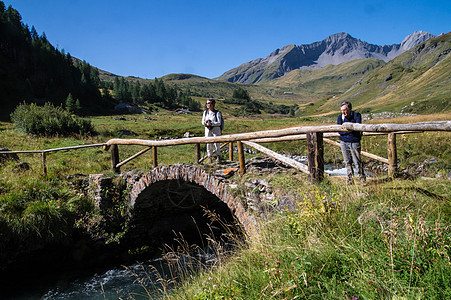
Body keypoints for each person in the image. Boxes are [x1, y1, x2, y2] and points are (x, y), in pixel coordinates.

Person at [337, 101, 365, 184]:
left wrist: (347, 131)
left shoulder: (357, 115)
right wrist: (350, 131)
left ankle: (362, 178)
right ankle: (350, 179)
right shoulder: (340, 117)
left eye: (345, 110)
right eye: (342, 110)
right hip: (343, 141)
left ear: (350, 109)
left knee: (357, 161)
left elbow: (357, 128)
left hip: (354, 141)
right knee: (347, 161)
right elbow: (339, 130)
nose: (343, 112)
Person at [202, 98, 223, 163]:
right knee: (208, 144)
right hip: (207, 130)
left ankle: (218, 157)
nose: (208, 105)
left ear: (213, 104)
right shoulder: (205, 112)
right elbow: (202, 122)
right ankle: (209, 157)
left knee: (217, 144)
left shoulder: (217, 113)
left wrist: (212, 124)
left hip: (216, 130)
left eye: (209, 103)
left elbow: (219, 122)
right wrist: (205, 123)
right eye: (207, 103)